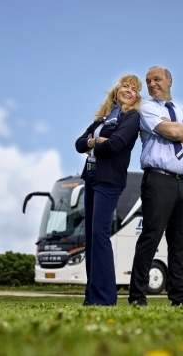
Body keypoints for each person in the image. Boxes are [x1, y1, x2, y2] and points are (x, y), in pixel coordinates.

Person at [128, 66, 183, 307]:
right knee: (151, 237)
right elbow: (172, 130)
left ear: (170, 80)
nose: (152, 84)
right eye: (148, 81)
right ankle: (137, 297)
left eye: (157, 79)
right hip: (158, 180)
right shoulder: (148, 108)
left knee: (180, 241)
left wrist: (177, 132)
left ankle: (180, 298)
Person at [75, 74, 142, 306]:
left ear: (136, 97)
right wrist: (96, 141)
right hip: (91, 177)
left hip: (110, 180)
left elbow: (116, 144)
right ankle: (91, 298)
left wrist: (95, 142)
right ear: (116, 91)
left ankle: (105, 298)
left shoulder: (132, 117)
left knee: (101, 235)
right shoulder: (103, 118)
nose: (128, 90)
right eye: (125, 86)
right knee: (91, 237)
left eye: (134, 89)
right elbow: (79, 144)